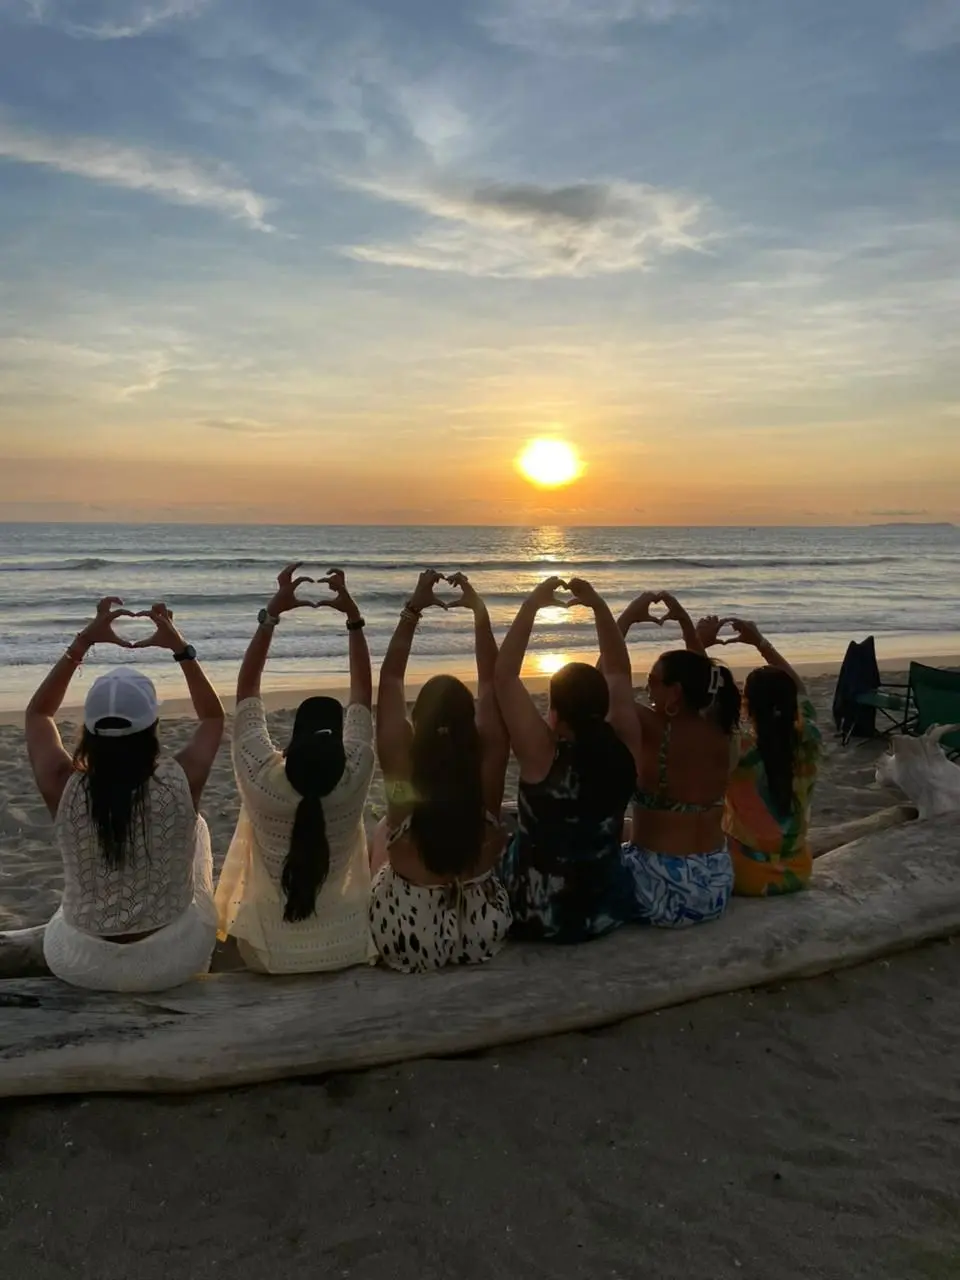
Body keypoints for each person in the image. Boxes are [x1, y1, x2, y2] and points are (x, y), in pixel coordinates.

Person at [25, 597, 224, 991]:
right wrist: (177, 645)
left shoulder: (61, 783)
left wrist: (83, 641)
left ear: (91, 730)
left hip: (83, 961)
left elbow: (38, 714)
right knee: (196, 827)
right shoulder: (180, 778)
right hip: (171, 959)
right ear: (151, 728)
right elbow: (214, 717)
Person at [215, 564, 377, 973]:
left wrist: (273, 614)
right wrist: (353, 618)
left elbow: (247, 690)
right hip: (349, 946)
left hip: (268, 955)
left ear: (291, 746)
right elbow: (362, 696)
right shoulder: (355, 775)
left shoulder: (264, 781)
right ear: (340, 748)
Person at [371, 569, 511, 972]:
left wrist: (415, 607)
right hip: (482, 930)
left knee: (384, 830)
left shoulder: (401, 768)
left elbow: (392, 677)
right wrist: (478, 612)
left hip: (408, 938)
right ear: (471, 722)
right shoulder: (489, 762)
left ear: (420, 722)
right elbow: (491, 682)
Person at [494, 577, 639, 943]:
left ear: (554, 714)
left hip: (534, 916)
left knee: (502, 830)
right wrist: (598, 606)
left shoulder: (542, 752)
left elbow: (504, 675)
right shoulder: (623, 744)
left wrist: (532, 604)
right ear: (603, 706)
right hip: (603, 912)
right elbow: (619, 671)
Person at [613, 590, 741, 926]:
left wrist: (624, 619)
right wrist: (685, 623)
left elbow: (602, 685)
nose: (646, 688)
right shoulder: (722, 729)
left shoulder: (653, 727)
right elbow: (702, 676)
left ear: (676, 692)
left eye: (652, 682)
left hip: (659, 890)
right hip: (714, 884)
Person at [697, 615, 822, 895]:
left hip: (744, 876)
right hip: (798, 871)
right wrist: (760, 643)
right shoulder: (809, 738)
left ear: (746, 706)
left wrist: (699, 645)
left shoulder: (739, 750)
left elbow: (696, 709)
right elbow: (799, 689)